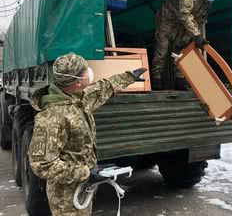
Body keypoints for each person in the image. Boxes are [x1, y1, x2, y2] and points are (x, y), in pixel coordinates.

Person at [29, 52, 146, 216]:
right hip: (66, 200)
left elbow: (102, 88)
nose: (89, 72)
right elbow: (41, 165)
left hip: (83, 187)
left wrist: (129, 77)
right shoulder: (52, 117)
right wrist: (86, 173)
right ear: (77, 82)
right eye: (85, 71)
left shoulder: (76, 98)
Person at [151, 0, 226, 90]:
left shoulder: (207, 2)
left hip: (184, 25)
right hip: (167, 20)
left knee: (180, 50)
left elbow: (199, 21)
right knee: (162, 50)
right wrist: (196, 35)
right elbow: (184, 14)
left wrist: (189, 38)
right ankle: (156, 77)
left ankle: (180, 78)